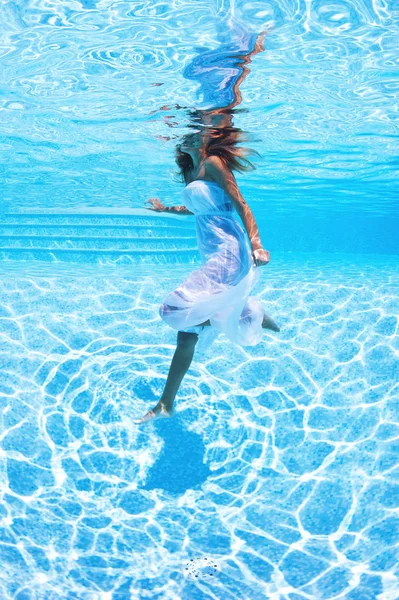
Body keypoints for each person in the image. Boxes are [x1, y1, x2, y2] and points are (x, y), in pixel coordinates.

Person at [133, 125, 280, 424]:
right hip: (212, 251)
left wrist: (257, 243)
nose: (185, 135)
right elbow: (197, 209)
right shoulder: (192, 171)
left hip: (229, 250)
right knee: (187, 333)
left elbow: (240, 203)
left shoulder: (214, 163)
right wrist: (164, 210)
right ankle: (166, 403)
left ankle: (248, 312)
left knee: (176, 309)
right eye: (181, 133)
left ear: (205, 137)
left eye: (193, 130)